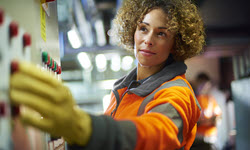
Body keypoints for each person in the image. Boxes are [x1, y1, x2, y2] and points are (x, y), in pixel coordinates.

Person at [9, 0, 205, 149]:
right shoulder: (122, 90)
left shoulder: (177, 93)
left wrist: (83, 126)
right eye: (143, 29)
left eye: (161, 34)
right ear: (132, 32)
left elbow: (158, 135)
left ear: (176, 44)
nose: (148, 40)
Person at [191, 73, 222, 150]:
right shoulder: (192, 100)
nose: (204, 86)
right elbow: (191, 123)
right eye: (201, 83)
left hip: (211, 138)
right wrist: (207, 121)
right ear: (196, 83)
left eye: (205, 84)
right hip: (196, 140)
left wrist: (202, 121)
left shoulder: (211, 99)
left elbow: (218, 119)